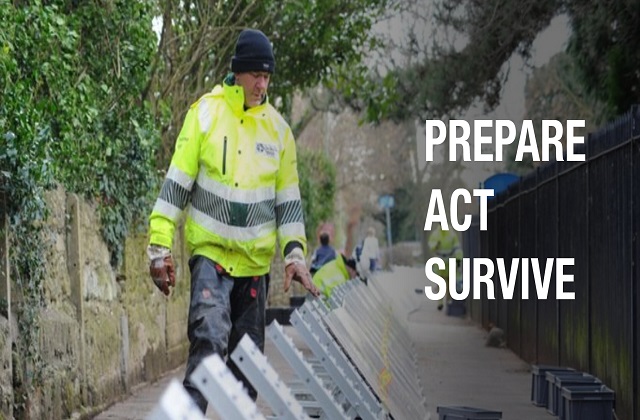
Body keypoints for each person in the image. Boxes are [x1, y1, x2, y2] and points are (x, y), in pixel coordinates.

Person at [146, 28, 320, 414]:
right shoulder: (204, 114)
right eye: (256, 74)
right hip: (211, 257)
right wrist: (159, 246)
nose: (262, 83)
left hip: (255, 268)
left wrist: (294, 257)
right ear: (238, 72)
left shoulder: (279, 132)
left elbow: (289, 205)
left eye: (268, 76)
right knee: (208, 343)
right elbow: (175, 185)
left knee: (247, 367)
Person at [428, 224, 463, 311]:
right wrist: (435, 245)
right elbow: (431, 245)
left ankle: (448, 302)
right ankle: (441, 302)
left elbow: (457, 247)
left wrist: (458, 259)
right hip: (441, 261)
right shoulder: (437, 234)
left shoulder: (451, 234)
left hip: (449, 262)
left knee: (449, 284)